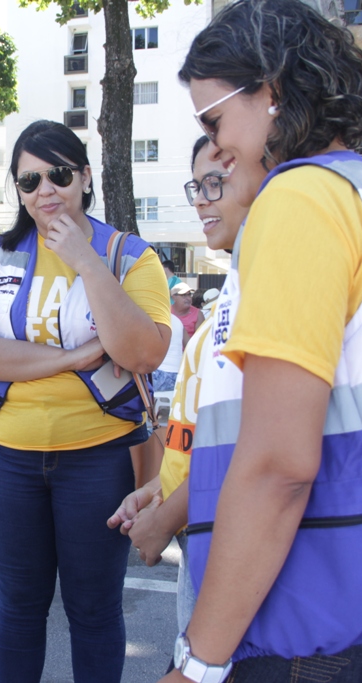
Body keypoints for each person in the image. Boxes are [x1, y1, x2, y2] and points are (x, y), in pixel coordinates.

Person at [164, 1, 362, 680]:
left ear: (270, 90)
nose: (216, 148)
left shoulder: (298, 199)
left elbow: (278, 465)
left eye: (213, 121)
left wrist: (198, 662)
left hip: (307, 609)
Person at [0, 119, 170, 683]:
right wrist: (73, 358)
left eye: (59, 175)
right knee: (19, 608)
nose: (44, 190)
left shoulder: (127, 255)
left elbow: (143, 352)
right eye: (29, 181)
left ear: (86, 177)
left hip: (101, 458)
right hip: (9, 458)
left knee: (94, 611)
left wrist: (85, 260)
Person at [109, 134, 267, 643]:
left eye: (215, 182)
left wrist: (165, 518)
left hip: (234, 539)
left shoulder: (268, 289)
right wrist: (160, 489)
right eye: (196, 186)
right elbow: (202, 433)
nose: (200, 199)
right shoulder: (236, 290)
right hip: (202, 528)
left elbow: (258, 445)